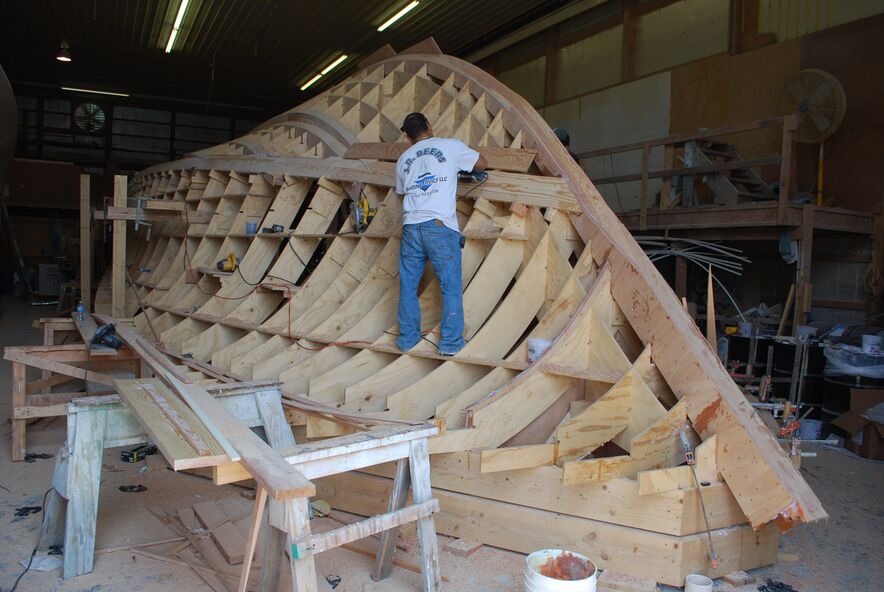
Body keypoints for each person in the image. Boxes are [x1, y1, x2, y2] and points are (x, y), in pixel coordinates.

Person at [394, 112, 487, 356]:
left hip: (411, 227)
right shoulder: (450, 146)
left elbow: (402, 191)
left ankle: (407, 340)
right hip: (439, 226)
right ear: (429, 125)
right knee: (450, 287)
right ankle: (451, 344)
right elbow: (481, 164)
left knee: (408, 286)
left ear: (408, 137)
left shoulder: (403, 159)